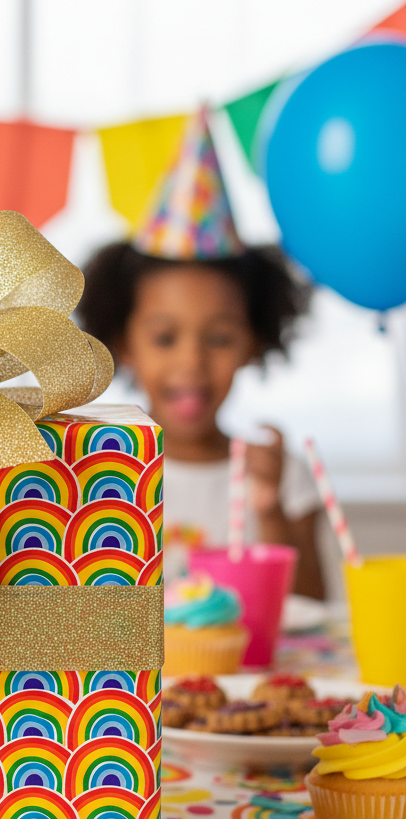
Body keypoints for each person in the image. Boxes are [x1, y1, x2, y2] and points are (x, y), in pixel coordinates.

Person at [78, 111, 324, 598]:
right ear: (124, 344)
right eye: (165, 338)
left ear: (253, 342)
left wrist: (269, 508)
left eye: (218, 338)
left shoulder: (282, 474)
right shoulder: (97, 472)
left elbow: (313, 608)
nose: (191, 361)